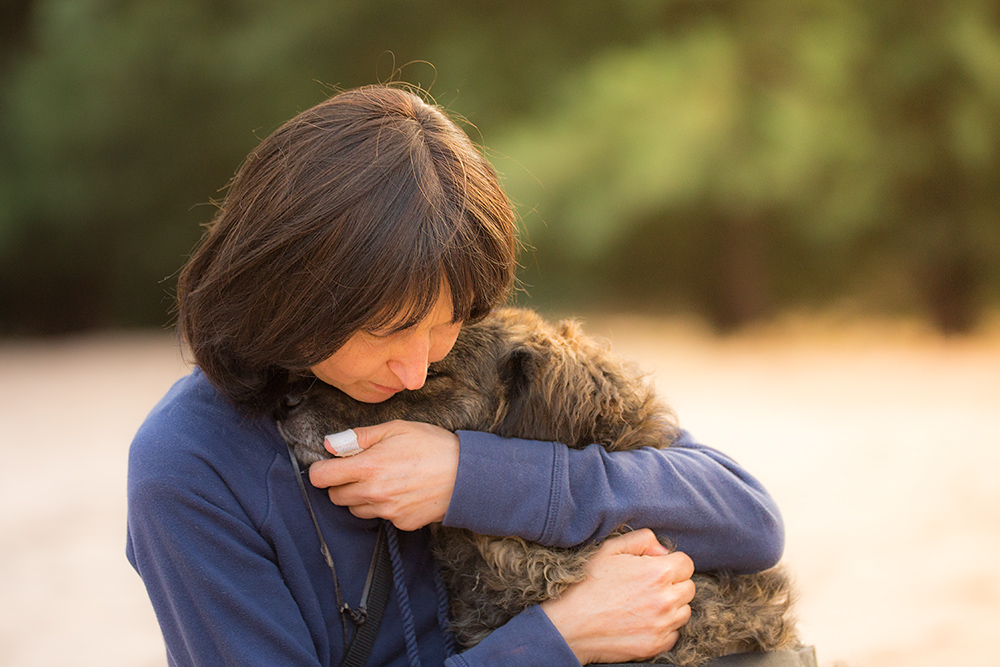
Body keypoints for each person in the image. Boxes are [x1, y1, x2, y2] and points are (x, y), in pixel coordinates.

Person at [126, 85, 784, 667]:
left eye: (448, 320)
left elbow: (748, 519)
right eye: (388, 329)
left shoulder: (495, 358)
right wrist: (561, 636)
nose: (417, 369)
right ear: (292, 296)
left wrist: (470, 477)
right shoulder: (189, 468)